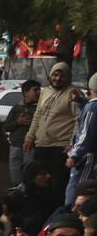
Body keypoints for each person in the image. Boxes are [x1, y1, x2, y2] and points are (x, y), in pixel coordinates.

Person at [28, 62, 79, 192]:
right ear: (50, 75)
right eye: (55, 75)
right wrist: (29, 137)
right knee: (36, 181)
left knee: (56, 183)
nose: (58, 78)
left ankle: (54, 210)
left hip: (60, 147)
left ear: (68, 77)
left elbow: (78, 120)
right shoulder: (45, 92)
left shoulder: (73, 93)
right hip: (41, 145)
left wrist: (72, 142)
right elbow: (38, 115)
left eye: (62, 76)